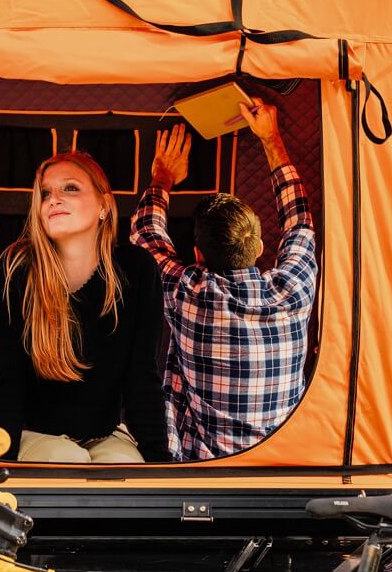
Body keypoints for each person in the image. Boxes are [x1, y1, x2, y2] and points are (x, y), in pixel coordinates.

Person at [130, 99, 317, 460]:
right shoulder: (293, 292)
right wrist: (271, 138)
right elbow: (300, 221)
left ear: (198, 255)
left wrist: (163, 176)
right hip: (283, 465)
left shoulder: (189, 295)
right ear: (261, 247)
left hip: (202, 471)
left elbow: (144, 235)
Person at [0, 152, 170, 463]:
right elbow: (7, 378)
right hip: (30, 433)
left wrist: (160, 472)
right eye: (45, 193)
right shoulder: (18, 269)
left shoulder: (136, 269)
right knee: (67, 461)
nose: (53, 199)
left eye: (69, 188)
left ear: (103, 206)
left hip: (104, 434)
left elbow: (143, 379)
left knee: (125, 469)